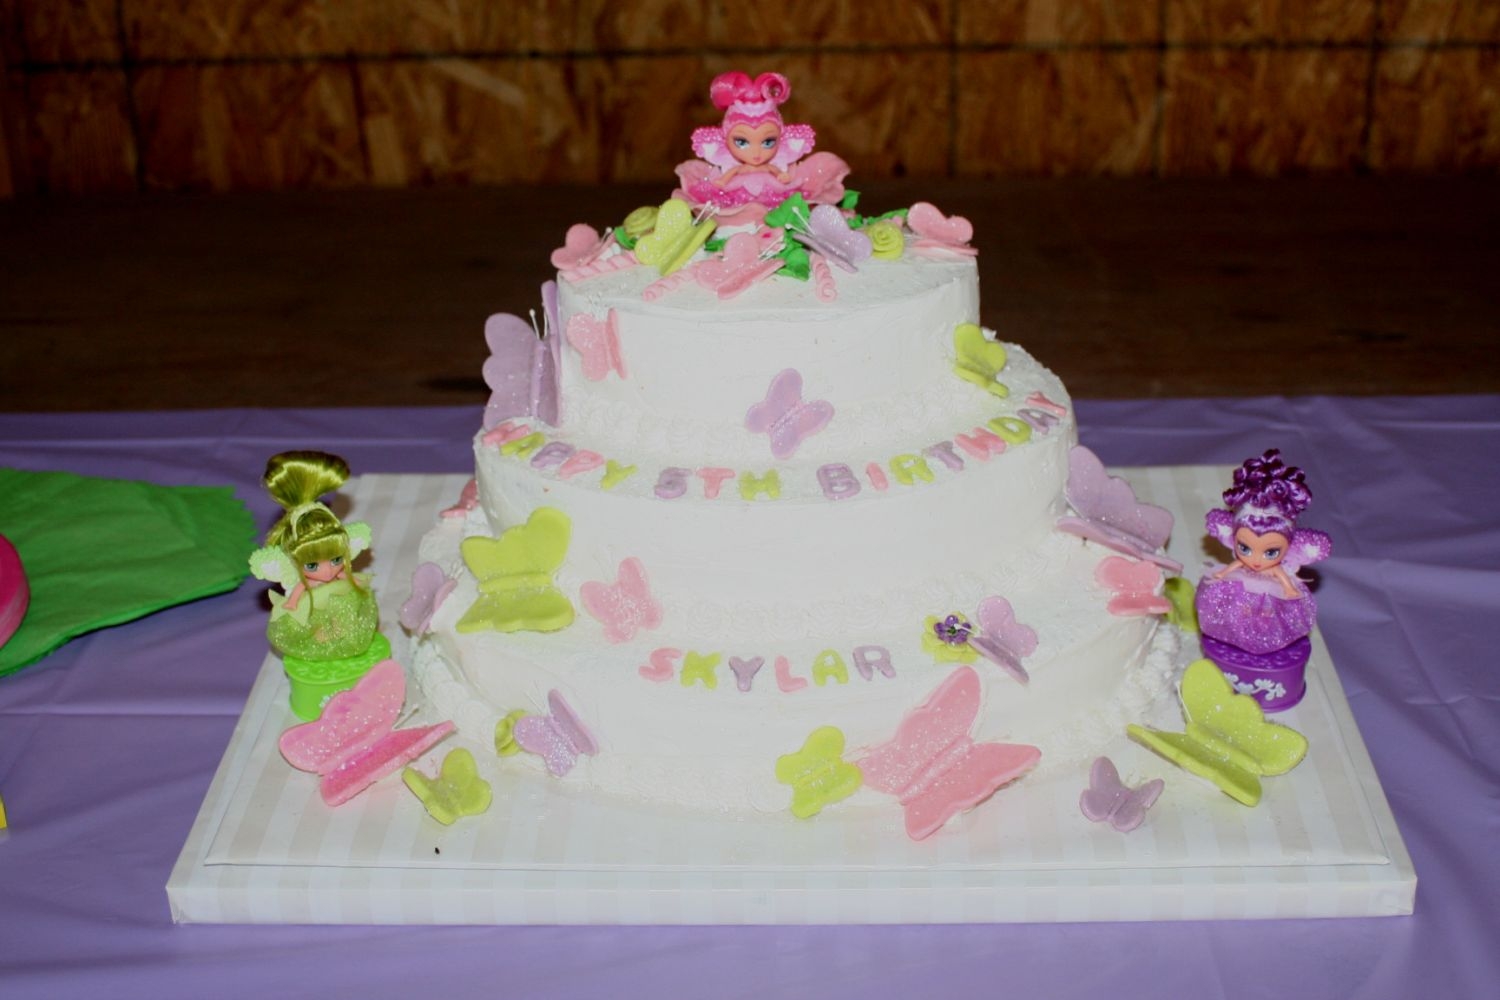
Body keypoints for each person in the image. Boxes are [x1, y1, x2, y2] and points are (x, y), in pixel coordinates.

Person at [1196, 449, 1331, 656]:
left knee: (1267, 619)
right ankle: (1234, 640)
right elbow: (1237, 565)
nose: (1256, 560)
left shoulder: (1277, 567)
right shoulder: (1242, 560)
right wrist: (1223, 574)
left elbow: (1281, 575)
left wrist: (1289, 588)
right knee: (1233, 613)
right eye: (1244, 548)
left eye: (1270, 552)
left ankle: (1262, 646)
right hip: (1241, 590)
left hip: (1270, 594)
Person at [674, 71, 850, 224]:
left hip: (772, 192)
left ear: (780, 138)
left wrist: (781, 174)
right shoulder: (738, 167)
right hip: (738, 193)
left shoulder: (769, 165)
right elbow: (730, 174)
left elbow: (773, 169)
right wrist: (722, 181)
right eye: (742, 142)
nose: (756, 153)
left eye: (768, 142)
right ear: (725, 140)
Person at [250, 451, 377, 662]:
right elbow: (300, 587)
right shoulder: (304, 580)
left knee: (344, 621)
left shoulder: (336, 573)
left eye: (336, 560)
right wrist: (292, 602)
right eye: (312, 565)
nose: (327, 572)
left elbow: (346, 578)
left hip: (340, 604)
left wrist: (353, 581)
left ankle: (338, 639)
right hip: (313, 609)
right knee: (318, 630)